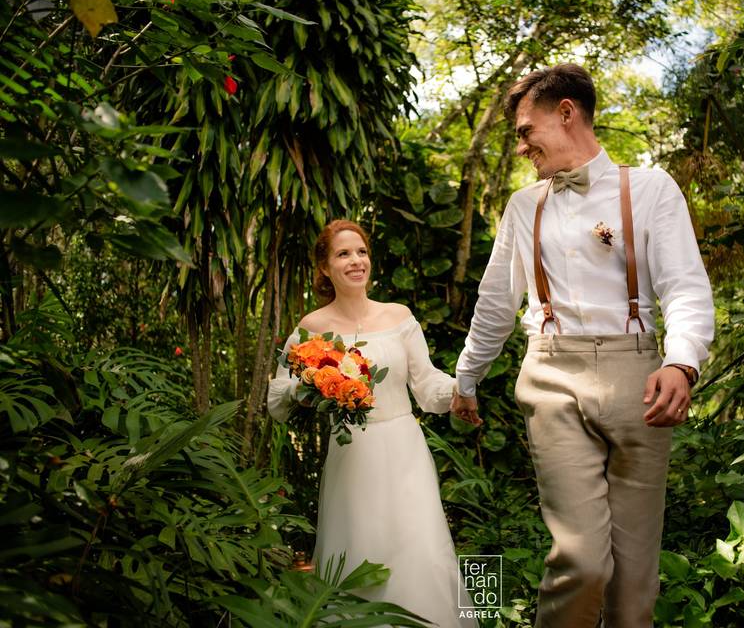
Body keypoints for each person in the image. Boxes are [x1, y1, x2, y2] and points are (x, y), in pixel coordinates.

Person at [452, 64, 715, 627]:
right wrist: (466, 378)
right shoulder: (524, 207)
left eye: (526, 131)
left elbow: (685, 284)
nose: (522, 146)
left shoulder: (649, 188)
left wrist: (682, 361)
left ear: (566, 113)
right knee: (582, 560)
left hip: (638, 378)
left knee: (634, 576)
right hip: (552, 379)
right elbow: (497, 301)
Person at [267, 219, 479, 628]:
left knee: (421, 550)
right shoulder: (312, 328)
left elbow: (426, 381)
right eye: (343, 254)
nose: (356, 261)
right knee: (360, 549)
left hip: (405, 448)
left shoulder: (398, 316)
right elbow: (278, 397)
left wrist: (457, 393)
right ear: (325, 268)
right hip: (351, 454)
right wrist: (311, 386)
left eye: (361, 251)